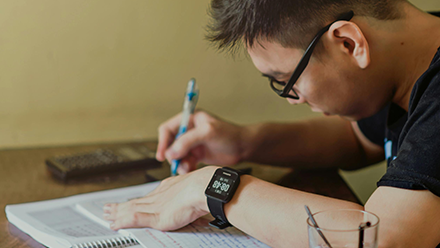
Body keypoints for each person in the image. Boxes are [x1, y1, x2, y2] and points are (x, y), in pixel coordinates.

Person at [103, 0, 440, 247]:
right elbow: (360, 141)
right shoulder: (405, 67)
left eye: (285, 80)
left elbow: (382, 238)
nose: (292, 97)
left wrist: (213, 188)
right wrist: (246, 141)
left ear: (348, 43)